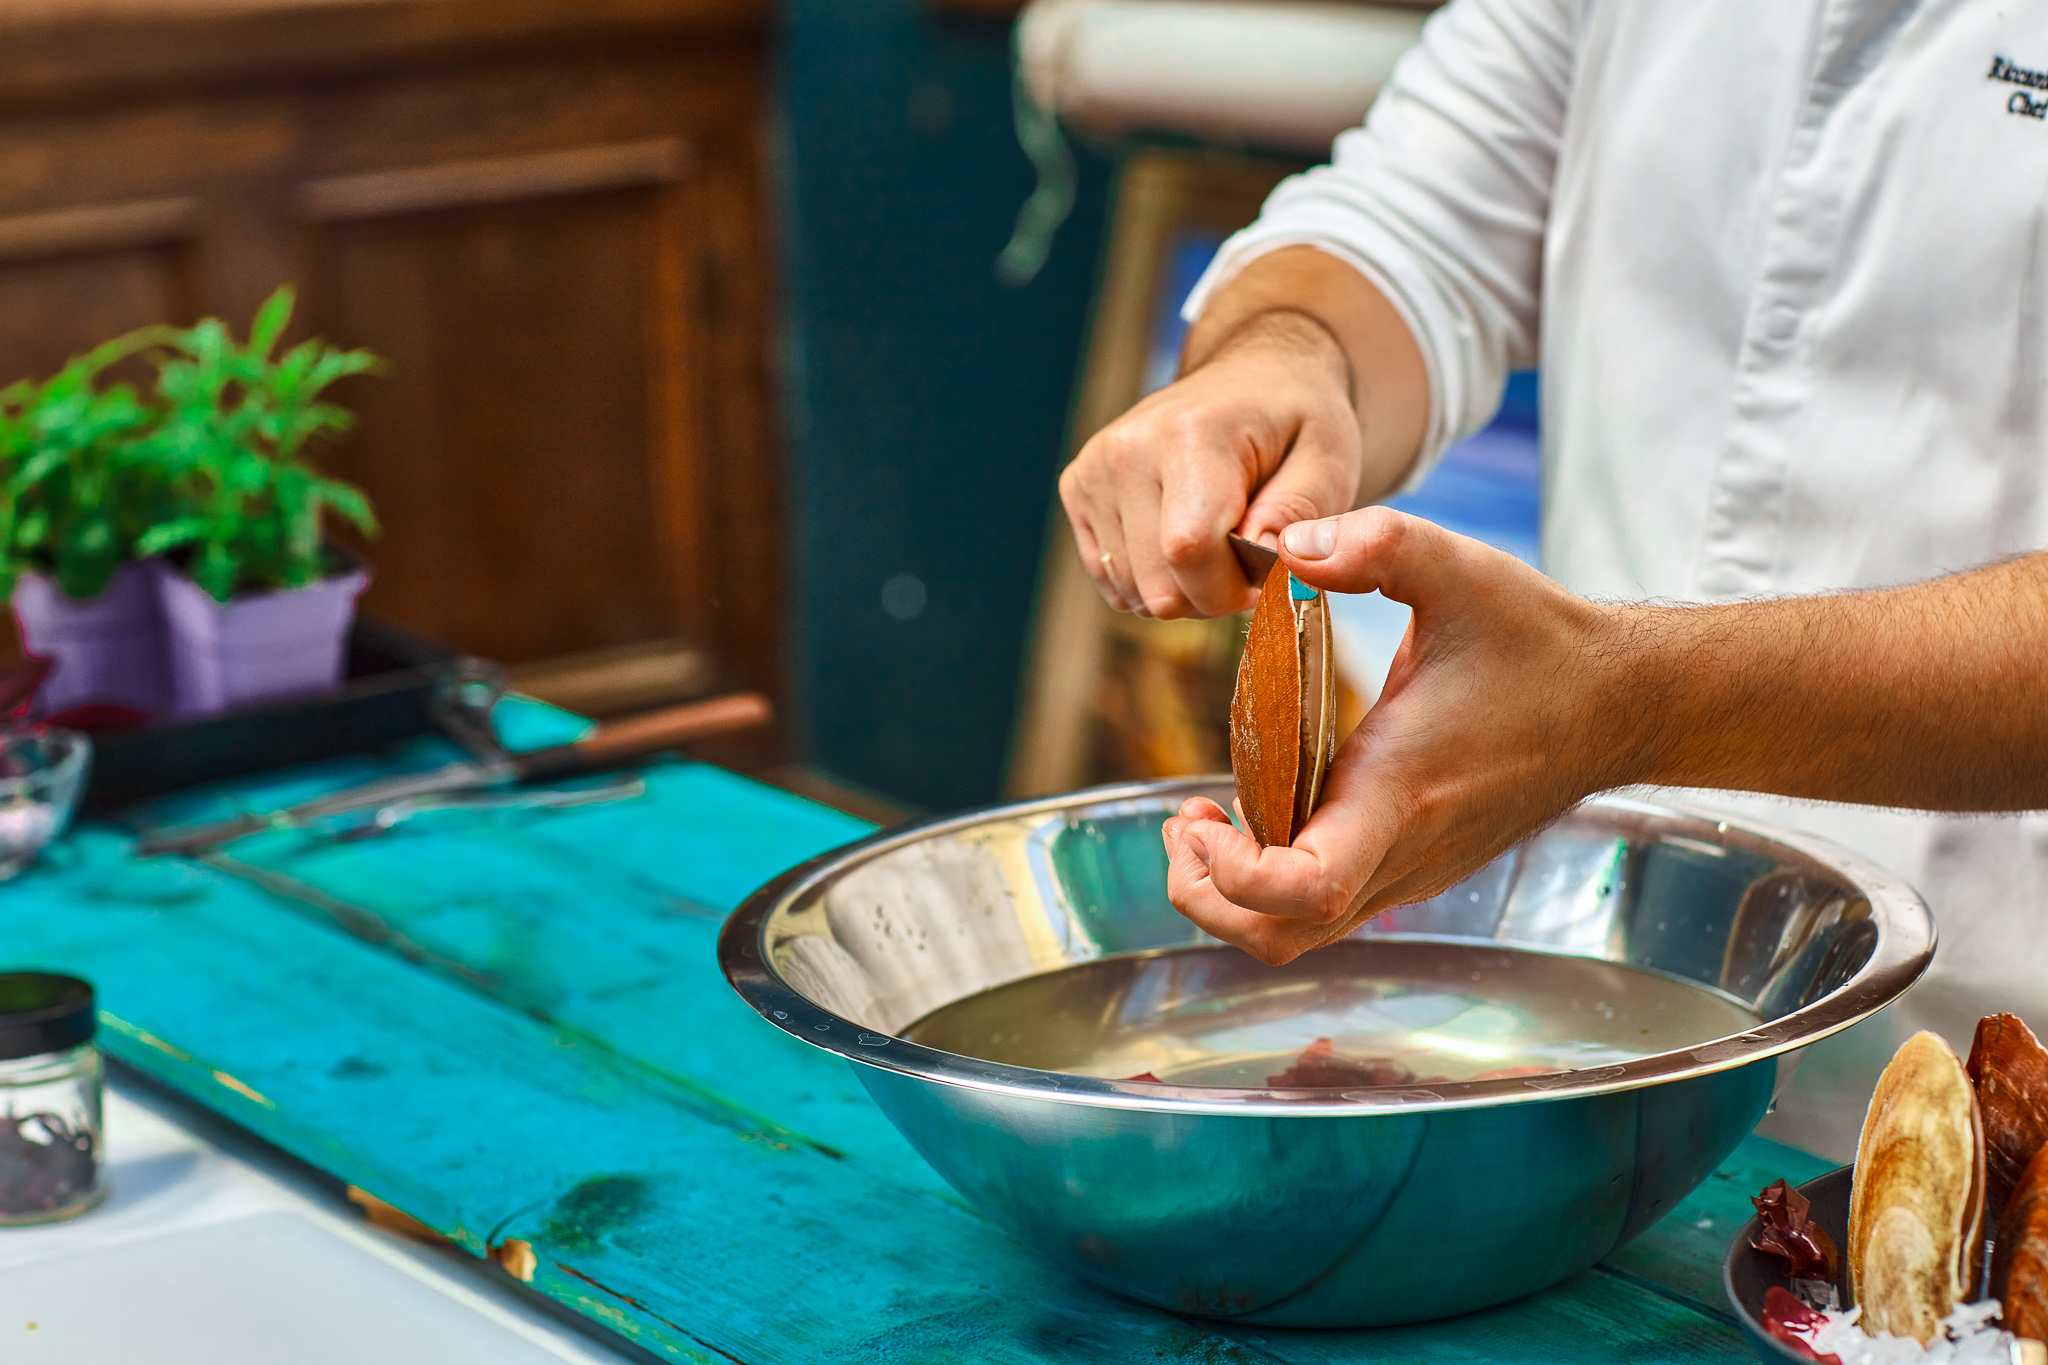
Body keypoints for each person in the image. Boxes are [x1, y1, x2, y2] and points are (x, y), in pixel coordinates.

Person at [1057, 0, 2048, 1159]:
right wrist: (1284, 359)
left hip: (2000, 1045)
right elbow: (1415, 220)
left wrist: (1623, 702)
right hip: (1600, 1026)